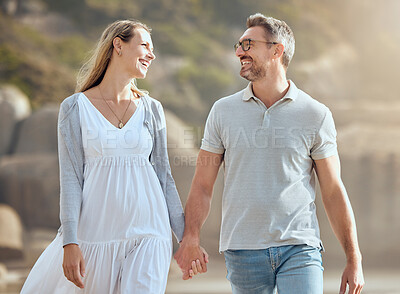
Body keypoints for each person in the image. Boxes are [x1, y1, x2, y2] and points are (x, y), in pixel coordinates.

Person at [174, 13, 365, 294]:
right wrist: (190, 237)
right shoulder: (222, 111)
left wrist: (354, 258)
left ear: (277, 50)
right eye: (238, 45)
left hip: (299, 248)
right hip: (242, 251)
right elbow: (202, 184)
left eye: (248, 44)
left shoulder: (316, 114)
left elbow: (333, 190)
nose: (239, 51)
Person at [20, 19, 199, 294]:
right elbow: (71, 180)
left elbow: (164, 177)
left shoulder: (151, 109)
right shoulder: (74, 108)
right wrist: (70, 242)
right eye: (145, 46)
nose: (152, 54)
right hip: (94, 235)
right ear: (118, 45)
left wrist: (187, 238)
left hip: (149, 232)